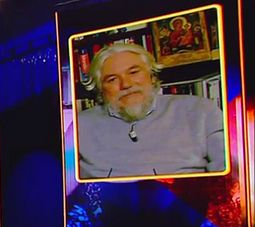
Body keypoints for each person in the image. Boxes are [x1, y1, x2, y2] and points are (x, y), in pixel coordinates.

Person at [76, 42, 226, 179]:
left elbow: (230, 177)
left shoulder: (200, 110)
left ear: (152, 76)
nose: (126, 84)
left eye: (134, 72)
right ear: (100, 89)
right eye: (112, 79)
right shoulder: (80, 126)